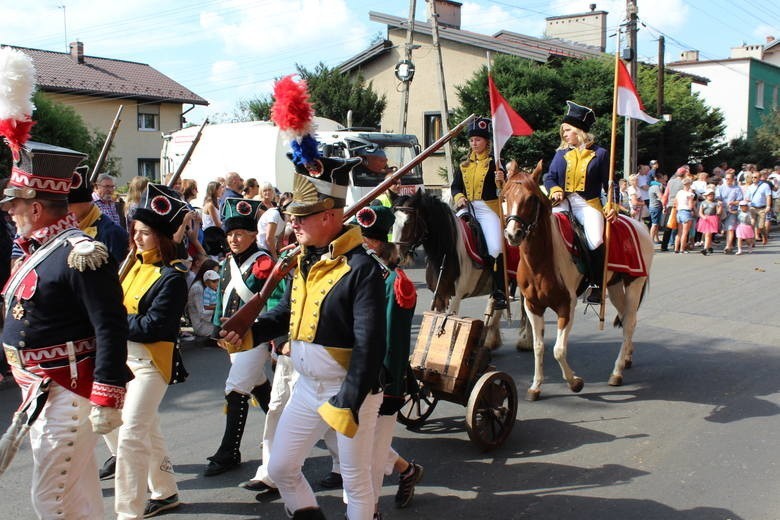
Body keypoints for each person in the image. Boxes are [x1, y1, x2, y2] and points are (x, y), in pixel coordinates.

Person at [220, 153, 386, 520]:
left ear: (329, 216)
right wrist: (247, 332)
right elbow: (285, 314)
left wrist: (350, 399)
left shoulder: (362, 270)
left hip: (350, 391)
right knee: (280, 469)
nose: (291, 222)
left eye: (301, 216)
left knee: (356, 483)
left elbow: (370, 345)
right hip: (307, 386)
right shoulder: (306, 258)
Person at [0, 139, 130, 519]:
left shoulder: (80, 254)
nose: (9, 211)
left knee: (52, 498)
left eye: (16, 204)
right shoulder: (38, 249)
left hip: (68, 391)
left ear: (36, 208)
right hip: (41, 389)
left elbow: (109, 325)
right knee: (79, 496)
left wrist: (108, 393)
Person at [113, 183, 190, 519]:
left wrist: (112, 320)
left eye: (144, 232)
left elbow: (153, 327)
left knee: (130, 435)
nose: (137, 238)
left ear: (161, 235)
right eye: (135, 231)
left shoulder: (173, 278)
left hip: (151, 364)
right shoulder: (131, 267)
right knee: (141, 429)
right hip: (121, 358)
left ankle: (128, 513)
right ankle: (165, 490)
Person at [354, 205, 424, 515]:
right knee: (351, 448)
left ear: (377, 244)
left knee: (369, 457)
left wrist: (393, 391)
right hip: (351, 377)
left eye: (365, 240)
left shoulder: (396, 283)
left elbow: (394, 343)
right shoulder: (353, 273)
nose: (359, 245)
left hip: (382, 382)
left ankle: (370, 511)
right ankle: (406, 469)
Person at [203, 197, 274, 477]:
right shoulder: (226, 264)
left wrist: (271, 339)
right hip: (232, 339)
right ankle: (281, 426)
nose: (233, 239)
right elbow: (222, 298)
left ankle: (229, 451)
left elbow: (271, 302)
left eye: (240, 234)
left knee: (235, 389)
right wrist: (216, 328)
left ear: (253, 235)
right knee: (257, 384)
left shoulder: (264, 263)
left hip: (255, 336)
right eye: (230, 234)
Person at [543, 101, 617, 303]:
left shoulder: (601, 154)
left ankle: (596, 285)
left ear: (579, 131)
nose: (564, 134)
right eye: (563, 131)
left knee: (595, 240)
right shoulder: (561, 153)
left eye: (567, 130)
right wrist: (556, 190)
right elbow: (549, 177)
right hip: (563, 203)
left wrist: (612, 205)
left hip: (588, 204)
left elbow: (611, 184)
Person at [451, 117, 508, 309]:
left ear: (487, 142)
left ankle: (499, 290)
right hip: (467, 207)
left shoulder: (496, 163)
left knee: (495, 248)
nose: (474, 143)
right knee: (448, 234)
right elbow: (456, 186)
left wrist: (502, 179)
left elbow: (505, 190)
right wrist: (459, 197)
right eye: (472, 140)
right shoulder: (463, 164)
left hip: (488, 208)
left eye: (478, 140)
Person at [68, 166, 129, 264]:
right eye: (106, 186)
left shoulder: (111, 233)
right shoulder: (71, 229)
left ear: (85, 202)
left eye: (69, 204)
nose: (66, 209)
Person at [185, 259, 220, 340]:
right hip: (202, 326)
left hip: (210, 322)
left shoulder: (209, 286)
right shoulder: (198, 288)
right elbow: (203, 313)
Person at [257, 192, 293, 259]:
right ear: (282, 203)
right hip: (261, 248)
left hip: (270, 249)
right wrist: (275, 257)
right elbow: (269, 238)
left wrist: (282, 256)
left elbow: (280, 239)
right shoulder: (275, 214)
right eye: (288, 204)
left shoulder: (285, 217)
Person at [716, 170, 742, 254]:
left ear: (733, 179)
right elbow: (717, 198)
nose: (727, 180)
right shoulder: (720, 188)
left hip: (732, 210)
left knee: (730, 229)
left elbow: (740, 200)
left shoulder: (737, 189)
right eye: (726, 179)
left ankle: (728, 246)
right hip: (722, 211)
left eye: (729, 179)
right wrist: (719, 201)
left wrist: (733, 202)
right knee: (726, 229)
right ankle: (730, 245)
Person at [746, 169, 772, 245]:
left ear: (760, 178)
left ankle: (765, 236)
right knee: (752, 224)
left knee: (760, 226)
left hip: (762, 208)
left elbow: (768, 196)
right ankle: (752, 241)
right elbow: (747, 197)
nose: (753, 179)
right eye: (752, 177)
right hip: (752, 208)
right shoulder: (750, 187)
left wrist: (768, 206)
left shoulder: (765, 185)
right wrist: (747, 201)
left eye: (755, 177)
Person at [202, 180, 227, 257]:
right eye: (219, 189)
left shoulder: (217, 203)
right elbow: (217, 224)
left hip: (216, 234)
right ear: (214, 190)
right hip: (211, 236)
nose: (221, 191)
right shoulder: (210, 205)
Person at [673, 177, 695, 253]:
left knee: (679, 232)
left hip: (679, 212)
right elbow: (691, 205)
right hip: (686, 212)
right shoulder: (690, 194)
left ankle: (676, 248)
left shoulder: (679, 192)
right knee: (685, 233)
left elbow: (675, 202)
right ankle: (682, 249)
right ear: (689, 184)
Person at [697, 188, 721, 255]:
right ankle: (709, 247)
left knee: (708, 234)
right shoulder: (703, 203)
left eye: (712, 195)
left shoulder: (715, 203)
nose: (711, 196)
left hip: (712, 218)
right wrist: (703, 216)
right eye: (709, 195)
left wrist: (720, 207)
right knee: (707, 234)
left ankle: (705, 248)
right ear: (706, 196)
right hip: (705, 219)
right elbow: (700, 212)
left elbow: (718, 213)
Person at [647, 172, 666, 243]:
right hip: (655, 207)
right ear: (657, 179)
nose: (663, 179)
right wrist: (664, 206)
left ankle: (656, 238)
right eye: (661, 178)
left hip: (655, 206)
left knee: (656, 224)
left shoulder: (653, 186)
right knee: (654, 224)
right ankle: (650, 240)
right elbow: (661, 197)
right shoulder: (656, 187)